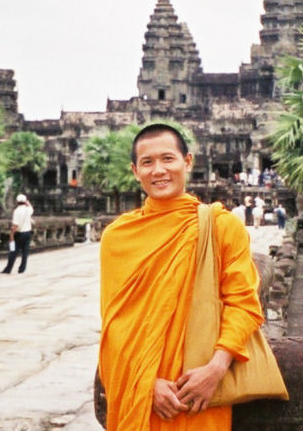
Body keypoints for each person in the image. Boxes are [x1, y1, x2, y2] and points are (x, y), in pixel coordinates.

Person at [98, 123, 264, 430]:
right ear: (135, 171)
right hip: (143, 392)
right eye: (147, 162)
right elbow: (115, 325)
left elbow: (243, 304)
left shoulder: (221, 226)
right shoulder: (117, 237)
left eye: (168, 159)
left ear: (187, 162)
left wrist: (215, 370)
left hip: (201, 391)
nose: (158, 170)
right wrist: (146, 383)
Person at [0, 194, 34, 274]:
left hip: (19, 234)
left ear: (17, 202)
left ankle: (8, 268)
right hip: (27, 233)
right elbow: (31, 208)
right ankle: (22, 268)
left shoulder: (17, 211)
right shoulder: (28, 210)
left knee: (13, 251)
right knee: (25, 252)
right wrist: (28, 203)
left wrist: (12, 235)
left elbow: (15, 225)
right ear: (25, 201)